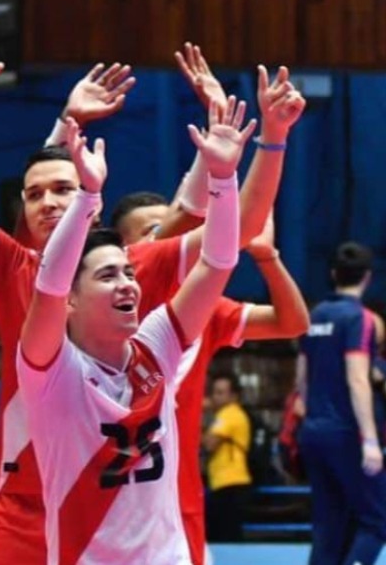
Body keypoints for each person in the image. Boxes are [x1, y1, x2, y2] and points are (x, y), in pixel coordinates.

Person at [0, 43, 299, 564]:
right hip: (26, 500)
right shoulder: (15, 268)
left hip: (120, 498)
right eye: (35, 196)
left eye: (64, 190)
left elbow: (232, 238)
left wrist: (270, 141)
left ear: (91, 197)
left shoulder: (131, 267)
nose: (48, 203)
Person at [18, 104, 250, 564]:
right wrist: (87, 197)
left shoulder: (156, 344)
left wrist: (224, 178)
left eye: (128, 272)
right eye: (108, 276)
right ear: (71, 298)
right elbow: (48, 285)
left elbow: (219, 261)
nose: (127, 283)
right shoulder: (49, 369)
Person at [113, 198, 310, 564]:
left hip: (179, 499)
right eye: (155, 231)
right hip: (107, 497)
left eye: (180, 230)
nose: (175, 240)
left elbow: (293, 323)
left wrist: (266, 256)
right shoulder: (94, 316)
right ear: (123, 249)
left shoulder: (203, 310)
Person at [298, 241, 386, 565]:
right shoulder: (360, 318)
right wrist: (371, 441)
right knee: (377, 520)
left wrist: (312, 418)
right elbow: (357, 379)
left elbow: (301, 379)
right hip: (347, 433)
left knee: (329, 526)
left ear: (334, 274)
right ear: (367, 277)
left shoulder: (313, 315)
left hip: (313, 432)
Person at [203, 372, 252, 543]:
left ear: (233, 396)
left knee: (225, 534)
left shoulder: (229, 414)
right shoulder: (229, 414)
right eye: (214, 392)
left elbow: (210, 444)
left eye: (220, 393)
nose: (215, 397)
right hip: (224, 482)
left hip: (230, 482)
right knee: (226, 532)